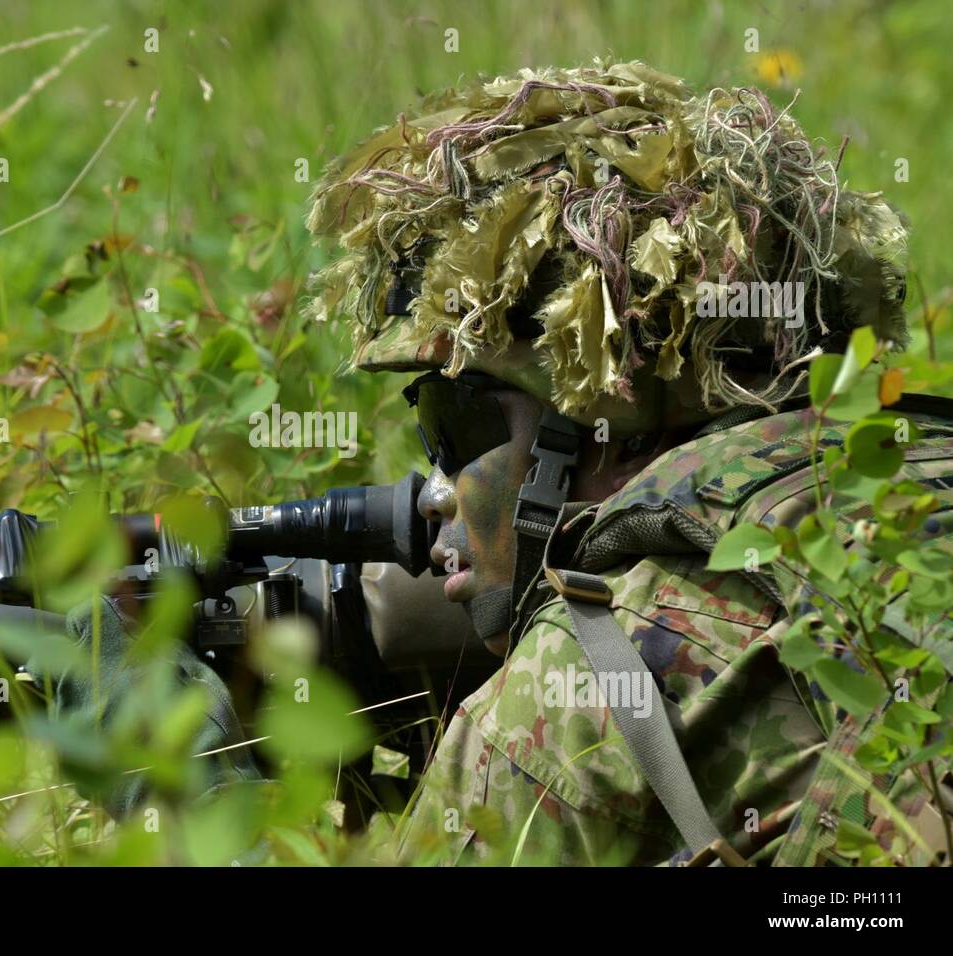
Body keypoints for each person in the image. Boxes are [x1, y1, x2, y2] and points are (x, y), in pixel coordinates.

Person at [301, 61, 949, 865]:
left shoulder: (579, 690)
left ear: (608, 419)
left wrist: (181, 793)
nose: (434, 491)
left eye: (455, 425)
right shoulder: (924, 470)